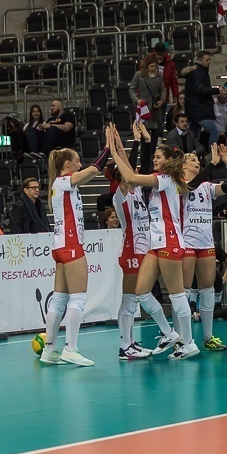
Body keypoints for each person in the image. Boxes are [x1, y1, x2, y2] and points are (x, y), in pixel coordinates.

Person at [109, 132, 199, 360]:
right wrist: (119, 147)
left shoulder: (166, 179)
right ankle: (169, 333)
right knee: (141, 292)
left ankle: (188, 343)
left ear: (168, 161)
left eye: (158, 157)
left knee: (177, 295)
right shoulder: (165, 180)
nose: (154, 159)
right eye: (154, 156)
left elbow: (130, 176)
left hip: (170, 240)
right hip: (155, 242)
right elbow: (130, 174)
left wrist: (113, 153)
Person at [39, 132, 110, 366]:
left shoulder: (59, 185)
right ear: (68, 164)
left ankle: (49, 350)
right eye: (77, 161)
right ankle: (71, 348)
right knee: (78, 298)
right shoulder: (63, 181)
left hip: (60, 246)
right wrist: (108, 148)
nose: (80, 164)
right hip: (70, 245)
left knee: (59, 299)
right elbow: (93, 171)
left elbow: (87, 174)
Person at [181, 145, 227, 351]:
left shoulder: (206, 186)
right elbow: (190, 186)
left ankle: (208, 337)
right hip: (186, 243)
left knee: (207, 290)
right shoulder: (180, 184)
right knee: (183, 292)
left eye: (198, 161)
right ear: (183, 165)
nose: (197, 163)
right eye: (192, 160)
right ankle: (183, 339)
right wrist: (211, 164)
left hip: (205, 244)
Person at [111, 140, 153, 360]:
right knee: (129, 299)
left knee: (134, 299)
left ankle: (130, 342)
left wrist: (122, 146)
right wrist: (117, 152)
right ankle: (124, 346)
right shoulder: (121, 195)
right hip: (131, 251)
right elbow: (127, 174)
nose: (135, 174)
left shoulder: (137, 193)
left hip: (142, 250)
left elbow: (129, 169)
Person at [184, 51, 222, 150]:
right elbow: (200, 90)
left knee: (194, 136)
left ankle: (191, 155)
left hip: (193, 110)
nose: (209, 62)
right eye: (207, 60)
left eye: (210, 60)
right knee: (214, 131)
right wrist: (216, 90)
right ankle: (212, 155)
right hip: (200, 110)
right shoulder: (198, 73)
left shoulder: (197, 72)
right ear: (200, 60)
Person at [129, 54, 167, 153]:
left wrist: (162, 100)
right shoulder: (139, 75)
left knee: (157, 131)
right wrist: (137, 100)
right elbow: (131, 89)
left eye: (155, 66)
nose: (154, 68)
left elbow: (163, 89)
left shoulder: (159, 75)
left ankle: (152, 154)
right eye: (151, 66)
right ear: (147, 66)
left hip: (156, 107)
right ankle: (144, 155)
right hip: (144, 107)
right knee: (144, 133)